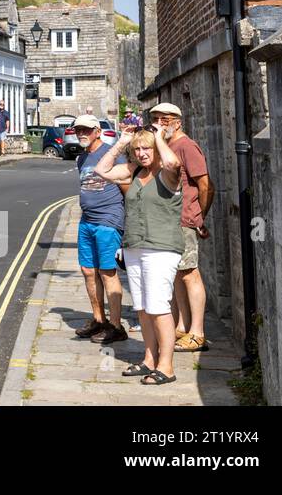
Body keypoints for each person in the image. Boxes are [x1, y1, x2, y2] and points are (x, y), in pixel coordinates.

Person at [95, 125, 183, 385]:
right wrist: (122, 142)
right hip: (135, 248)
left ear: (156, 148)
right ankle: (149, 359)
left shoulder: (169, 174)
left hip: (161, 248)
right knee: (143, 308)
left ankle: (166, 366)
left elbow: (172, 161)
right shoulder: (135, 172)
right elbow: (102, 170)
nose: (143, 153)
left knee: (159, 308)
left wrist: (157, 137)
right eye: (138, 149)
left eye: (147, 149)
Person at [148, 102, 214, 352]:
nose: (159, 123)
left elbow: (205, 184)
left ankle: (197, 332)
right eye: (155, 118)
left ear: (177, 121)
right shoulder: (166, 144)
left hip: (184, 219)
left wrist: (198, 216)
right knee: (177, 274)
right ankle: (183, 327)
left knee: (190, 273)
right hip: (169, 219)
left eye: (164, 119)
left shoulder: (186, 145)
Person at [71, 114, 127, 345]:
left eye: (86, 130)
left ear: (97, 131)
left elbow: (127, 188)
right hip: (87, 222)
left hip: (108, 220)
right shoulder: (81, 159)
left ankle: (116, 326)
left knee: (107, 272)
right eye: (78, 130)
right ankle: (98, 319)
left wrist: (129, 223)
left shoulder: (113, 154)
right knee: (87, 270)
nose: (81, 134)